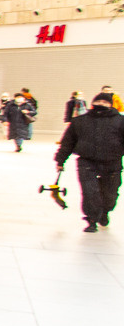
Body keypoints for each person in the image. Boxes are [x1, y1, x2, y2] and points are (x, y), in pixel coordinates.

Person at [57, 91, 123, 232]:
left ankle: (105, 211)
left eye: (105, 103)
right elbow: (68, 142)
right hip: (87, 162)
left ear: (111, 105)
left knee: (110, 193)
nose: (101, 105)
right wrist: (60, 160)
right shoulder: (80, 121)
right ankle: (92, 220)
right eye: (98, 102)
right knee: (90, 192)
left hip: (112, 163)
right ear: (92, 104)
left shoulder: (120, 121)